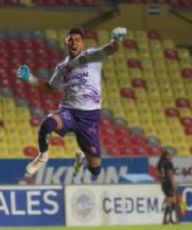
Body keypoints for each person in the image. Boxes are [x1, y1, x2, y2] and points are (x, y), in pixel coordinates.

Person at [18, 27, 127, 177]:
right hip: (68, 111)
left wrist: (116, 40)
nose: (74, 43)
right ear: (66, 44)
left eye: (77, 40)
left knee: (95, 170)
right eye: (70, 40)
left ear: (83, 43)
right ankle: (42, 157)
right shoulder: (62, 67)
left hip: (89, 118)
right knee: (47, 123)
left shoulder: (91, 56)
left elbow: (111, 49)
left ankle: (80, 160)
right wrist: (30, 78)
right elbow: (51, 87)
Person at [157, 150, 177, 225]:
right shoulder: (168, 163)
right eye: (170, 155)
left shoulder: (161, 163)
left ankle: (170, 219)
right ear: (167, 156)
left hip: (163, 183)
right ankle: (165, 220)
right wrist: (173, 184)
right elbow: (170, 174)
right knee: (170, 202)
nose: (171, 157)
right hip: (168, 184)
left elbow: (159, 173)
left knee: (172, 201)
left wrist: (162, 180)